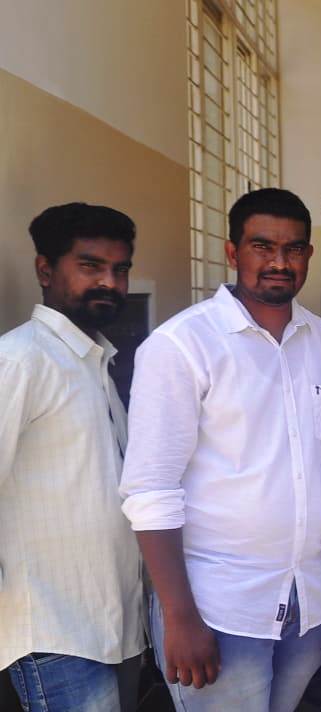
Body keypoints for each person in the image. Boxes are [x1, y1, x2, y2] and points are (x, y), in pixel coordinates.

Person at [119, 188, 321, 711]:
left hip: (308, 602)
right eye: (262, 246)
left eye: (293, 249)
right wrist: (180, 617)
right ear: (232, 252)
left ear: (309, 255)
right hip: (218, 608)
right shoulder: (182, 346)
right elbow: (151, 490)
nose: (279, 262)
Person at [0, 203, 145, 712]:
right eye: (90, 266)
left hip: (114, 624)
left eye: (120, 269)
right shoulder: (21, 360)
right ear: (45, 270)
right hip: (53, 630)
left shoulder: (96, 362)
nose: (110, 282)